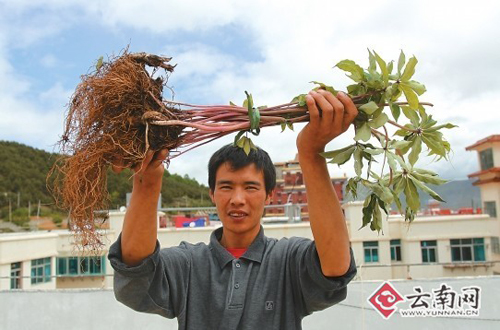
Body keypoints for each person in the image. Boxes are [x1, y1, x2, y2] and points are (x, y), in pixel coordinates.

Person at [108, 89, 358, 329]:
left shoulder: (287, 259)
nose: (238, 199)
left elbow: (335, 266)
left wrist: (312, 154)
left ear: (270, 195)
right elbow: (136, 275)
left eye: (251, 188)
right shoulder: (189, 264)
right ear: (212, 194)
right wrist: (147, 180)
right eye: (226, 187)